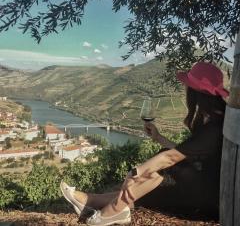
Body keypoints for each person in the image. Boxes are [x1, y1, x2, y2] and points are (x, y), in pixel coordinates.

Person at [60, 62, 229, 226]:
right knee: (146, 192)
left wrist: (135, 172)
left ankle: (111, 212)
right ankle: (93, 201)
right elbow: (186, 153)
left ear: (195, 91)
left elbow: (170, 158)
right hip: (205, 190)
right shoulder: (215, 119)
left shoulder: (213, 128)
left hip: (208, 200)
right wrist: (159, 137)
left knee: (161, 161)